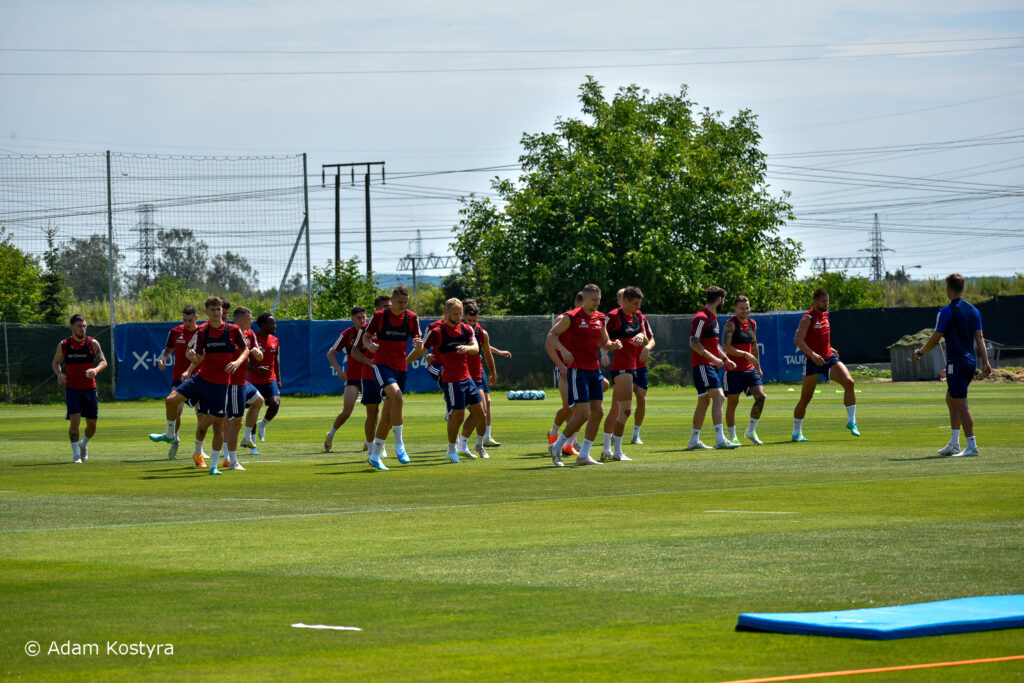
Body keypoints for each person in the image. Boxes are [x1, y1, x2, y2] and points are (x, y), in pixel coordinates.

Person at [149, 297, 248, 474]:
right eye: (213, 310)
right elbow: (199, 356)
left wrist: (238, 362)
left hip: (220, 385)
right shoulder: (203, 331)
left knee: (216, 426)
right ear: (207, 313)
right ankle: (171, 434)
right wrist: (192, 361)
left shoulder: (233, 330)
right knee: (171, 400)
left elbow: (246, 349)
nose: (217, 313)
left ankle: (213, 466)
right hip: (201, 380)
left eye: (219, 309)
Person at [913, 273, 992, 457]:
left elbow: (935, 338)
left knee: (961, 404)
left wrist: (920, 353)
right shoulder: (973, 310)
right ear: (962, 288)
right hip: (970, 363)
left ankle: (971, 446)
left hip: (956, 363)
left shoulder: (946, 311)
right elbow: (979, 337)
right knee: (951, 399)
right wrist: (986, 362)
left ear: (949, 288)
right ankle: (954, 443)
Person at [546, 284, 623, 467]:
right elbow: (552, 336)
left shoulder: (600, 318)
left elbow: (605, 342)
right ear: (585, 300)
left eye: (599, 300)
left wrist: (614, 345)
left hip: (594, 370)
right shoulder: (571, 317)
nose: (597, 303)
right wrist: (563, 351)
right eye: (594, 300)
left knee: (598, 412)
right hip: (577, 371)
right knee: (583, 414)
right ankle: (557, 446)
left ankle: (584, 454)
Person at [413, 298, 486, 462]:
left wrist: (467, 348)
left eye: (461, 313)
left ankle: (463, 446)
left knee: (479, 413)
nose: (459, 316)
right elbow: (421, 349)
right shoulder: (437, 332)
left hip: (467, 378)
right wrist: (423, 354)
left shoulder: (467, 329)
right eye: (456, 313)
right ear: (446, 313)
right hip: (452, 380)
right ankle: (451, 450)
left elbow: (475, 348)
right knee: (457, 415)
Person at [362, 286, 423, 471]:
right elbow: (365, 337)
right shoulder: (379, 316)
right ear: (392, 300)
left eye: (406, 303)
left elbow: (419, 346)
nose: (403, 306)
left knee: (388, 415)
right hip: (381, 365)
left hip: (400, 368)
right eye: (400, 302)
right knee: (397, 397)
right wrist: (370, 345)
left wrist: (418, 347)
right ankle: (400, 445)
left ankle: (374, 456)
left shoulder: (412, 318)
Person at [792, 288, 859, 442]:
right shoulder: (807, 318)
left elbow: (823, 338)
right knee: (805, 399)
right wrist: (812, 354)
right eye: (823, 301)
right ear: (815, 301)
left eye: (827, 301)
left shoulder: (826, 315)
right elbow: (798, 340)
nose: (826, 304)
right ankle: (796, 433)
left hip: (828, 359)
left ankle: (852, 422)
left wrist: (831, 348)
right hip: (812, 361)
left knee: (849, 382)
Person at [51, 314, 108, 464]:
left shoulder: (92, 343)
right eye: (79, 326)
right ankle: (76, 455)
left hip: (89, 389)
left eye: (84, 326)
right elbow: (56, 363)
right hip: (72, 389)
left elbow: (103, 361)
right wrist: (59, 374)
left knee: (92, 424)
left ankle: (83, 445)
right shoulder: (64, 344)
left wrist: (95, 370)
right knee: (74, 421)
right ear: (71, 327)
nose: (82, 329)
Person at [687, 286, 738, 450]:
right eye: (723, 299)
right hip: (703, 365)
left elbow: (714, 345)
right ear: (718, 300)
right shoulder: (701, 318)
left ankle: (694, 440)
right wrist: (713, 358)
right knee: (719, 397)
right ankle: (720, 439)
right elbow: (693, 342)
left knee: (704, 402)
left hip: (709, 364)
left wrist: (725, 359)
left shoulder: (713, 317)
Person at [600, 286, 648, 461]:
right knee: (626, 411)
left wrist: (641, 337)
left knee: (615, 411)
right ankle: (618, 452)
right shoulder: (613, 316)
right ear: (625, 301)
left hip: (634, 365)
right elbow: (601, 337)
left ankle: (606, 450)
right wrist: (606, 350)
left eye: (639, 303)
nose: (637, 306)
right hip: (621, 366)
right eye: (634, 303)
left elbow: (645, 336)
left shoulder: (637, 316)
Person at [462, 299, 512, 456]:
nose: (471, 323)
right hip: (460, 374)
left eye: (474, 320)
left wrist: (494, 373)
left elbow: (487, 352)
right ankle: (458, 445)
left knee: (483, 410)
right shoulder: (456, 330)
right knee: (457, 414)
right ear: (462, 316)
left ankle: (479, 444)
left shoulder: (481, 333)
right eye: (468, 320)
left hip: (476, 374)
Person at [217, 305, 263, 470]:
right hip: (233, 383)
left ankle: (246, 438)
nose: (252, 321)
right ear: (240, 319)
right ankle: (232, 460)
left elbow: (258, 351)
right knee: (235, 421)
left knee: (259, 401)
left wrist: (258, 353)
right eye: (250, 318)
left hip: (244, 382)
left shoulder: (250, 334)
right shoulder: (228, 332)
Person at [349, 295, 391, 457]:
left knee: (389, 410)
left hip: (388, 374)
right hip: (369, 376)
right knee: (372, 412)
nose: (389, 308)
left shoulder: (395, 326)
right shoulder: (367, 327)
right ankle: (371, 445)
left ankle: (382, 443)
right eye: (385, 306)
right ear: (377, 309)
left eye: (390, 305)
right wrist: (370, 362)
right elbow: (354, 351)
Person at [156, 304, 200, 459]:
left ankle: (199, 448)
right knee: (176, 409)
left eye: (190, 320)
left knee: (201, 414)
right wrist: (162, 359)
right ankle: (175, 439)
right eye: (184, 320)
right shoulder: (175, 332)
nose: (187, 323)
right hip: (179, 377)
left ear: (197, 318)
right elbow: (167, 350)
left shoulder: (201, 332)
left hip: (199, 376)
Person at [722, 295, 766, 446]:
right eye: (741, 308)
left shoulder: (752, 324)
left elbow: (754, 346)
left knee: (761, 397)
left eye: (747, 308)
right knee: (733, 403)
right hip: (733, 370)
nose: (745, 311)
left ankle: (751, 431)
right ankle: (733, 436)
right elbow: (726, 347)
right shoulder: (730, 324)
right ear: (735, 309)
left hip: (749, 369)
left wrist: (758, 367)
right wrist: (744, 354)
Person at [324, 306, 368, 452]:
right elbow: (331, 353)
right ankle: (330, 435)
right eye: (358, 318)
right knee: (347, 411)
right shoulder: (347, 334)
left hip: (370, 376)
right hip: (353, 377)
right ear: (352, 319)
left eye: (364, 317)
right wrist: (339, 370)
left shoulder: (372, 332)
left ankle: (370, 441)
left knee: (373, 411)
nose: (362, 320)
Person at [545, 293, 584, 458]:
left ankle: (569, 441)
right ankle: (554, 433)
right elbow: (549, 344)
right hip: (564, 369)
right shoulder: (563, 318)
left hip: (580, 368)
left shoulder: (588, 321)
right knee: (569, 407)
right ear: (576, 303)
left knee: (584, 404)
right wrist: (560, 365)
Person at [248, 312, 281, 446]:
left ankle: (263, 424)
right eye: (272, 323)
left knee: (275, 403)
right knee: (253, 410)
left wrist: (279, 379)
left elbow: (277, 361)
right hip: (254, 381)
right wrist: (257, 369)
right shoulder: (252, 339)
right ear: (263, 324)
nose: (275, 326)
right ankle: (253, 443)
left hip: (270, 380)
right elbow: (244, 361)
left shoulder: (275, 340)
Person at [631, 299, 656, 445]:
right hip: (625, 364)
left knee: (642, 398)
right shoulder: (616, 317)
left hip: (640, 364)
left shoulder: (642, 318)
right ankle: (614, 434)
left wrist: (646, 347)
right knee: (623, 402)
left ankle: (636, 433)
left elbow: (651, 339)